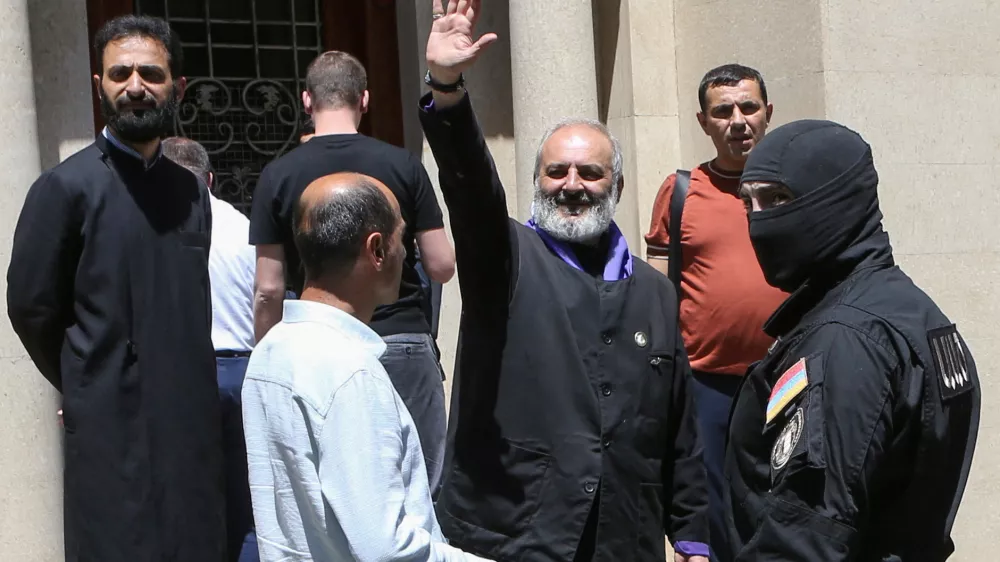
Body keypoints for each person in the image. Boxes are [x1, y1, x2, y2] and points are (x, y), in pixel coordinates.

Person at [419, 2, 708, 560]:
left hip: (624, 537)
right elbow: (472, 189)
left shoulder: (655, 292)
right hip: (517, 533)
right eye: (557, 171)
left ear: (616, 187)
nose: (572, 185)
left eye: (590, 173)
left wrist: (693, 533)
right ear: (536, 182)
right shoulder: (503, 258)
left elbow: (679, 427)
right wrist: (447, 88)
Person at [6, 15, 224, 562]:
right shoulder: (63, 188)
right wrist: (85, 378)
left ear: (178, 87)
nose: (134, 87)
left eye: (150, 73)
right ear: (97, 84)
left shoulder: (191, 193)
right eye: (119, 73)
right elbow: (32, 306)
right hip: (110, 430)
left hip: (190, 427)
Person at [725, 119, 981, 560]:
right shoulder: (908, 309)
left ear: (837, 200)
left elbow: (805, 539)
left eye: (779, 198)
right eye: (749, 203)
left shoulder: (846, 339)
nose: (760, 221)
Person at [242, 172, 490, 562]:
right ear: (377, 249)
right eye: (402, 239)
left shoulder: (271, 349)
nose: (408, 253)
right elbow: (386, 549)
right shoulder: (349, 372)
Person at [250, 51, 455, 493]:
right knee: (421, 493)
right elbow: (441, 266)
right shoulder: (404, 166)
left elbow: (268, 288)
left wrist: (266, 356)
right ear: (365, 99)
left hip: (314, 349)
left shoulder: (277, 175)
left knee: (336, 489)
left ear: (307, 101)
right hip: (401, 340)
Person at [644, 64, 786, 561]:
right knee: (713, 510)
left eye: (748, 108)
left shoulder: (794, 186)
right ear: (704, 122)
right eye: (722, 111)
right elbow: (658, 287)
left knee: (784, 499)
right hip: (705, 383)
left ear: (768, 114)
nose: (738, 120)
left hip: (786, 377)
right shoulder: (682, 191)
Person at [162, 137, 259, 562]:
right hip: (246, 371)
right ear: (212, 180)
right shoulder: (244, 227)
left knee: (191, 504)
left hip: (188, 374)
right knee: (250, 507)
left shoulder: (157, 229)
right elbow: (268, 294)